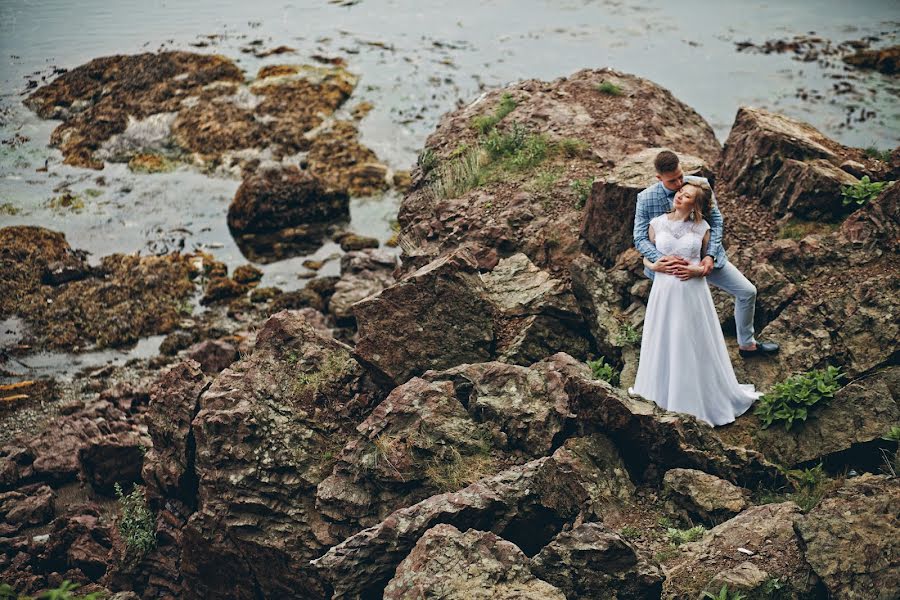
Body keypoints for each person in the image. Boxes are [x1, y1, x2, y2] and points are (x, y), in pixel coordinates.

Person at [629, 181, 760, 426]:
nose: (679, 196)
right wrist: (653, 265)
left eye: (686, 195)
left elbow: (706, 263)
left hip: (692, 291)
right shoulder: (657, 223)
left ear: (695, 204)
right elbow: (646, 258)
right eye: (679, 192)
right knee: (666, 338)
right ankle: (662, 394)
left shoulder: (703, 228)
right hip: (664, 291)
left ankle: (698, 400)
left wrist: (697, 271)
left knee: (691, 340)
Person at [632, 150, 778, 358]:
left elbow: (716, 222)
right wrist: (660, 261)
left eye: (681, 176)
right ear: (659, 178)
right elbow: (639, 238)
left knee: (748, 292)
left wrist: (710, 256)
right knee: (677, 324)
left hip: (705, 259)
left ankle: (747, 344)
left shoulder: (700, 184)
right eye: (673, 181)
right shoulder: (646, 198)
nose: (680, 183)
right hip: (671, 272)